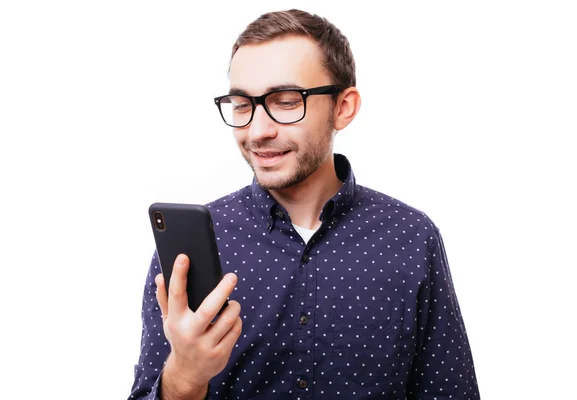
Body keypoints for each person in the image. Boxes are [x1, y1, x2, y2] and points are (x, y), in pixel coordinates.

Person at [129, 9, 480, 400]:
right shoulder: (189, 249)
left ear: (343, 107)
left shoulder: (411, 239)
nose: (258, 131)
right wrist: (185, 376)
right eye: (243, 104)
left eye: (285, 101)